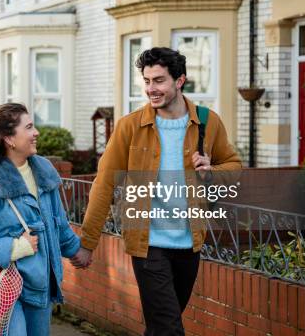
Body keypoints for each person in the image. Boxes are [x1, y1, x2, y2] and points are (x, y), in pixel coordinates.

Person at [71, 47, 242, 335]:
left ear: (180, 81)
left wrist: (211, 171)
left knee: (161, 326)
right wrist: (88, 242)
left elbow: (234, 167)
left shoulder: (207, 121)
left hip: (190, 244)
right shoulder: (130, 127)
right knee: (170, 328)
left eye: (159, 80)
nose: (151, 89)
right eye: (147, 81)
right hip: (148, 244)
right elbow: (104, 185)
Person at [0, 103, 89, 336]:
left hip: (40, 287)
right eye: (28, 127)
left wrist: (77, 250)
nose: (36, 132)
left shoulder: (43, 172)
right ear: (9, 138)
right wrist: (16, 247)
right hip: (5, 288)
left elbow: (58, 222)